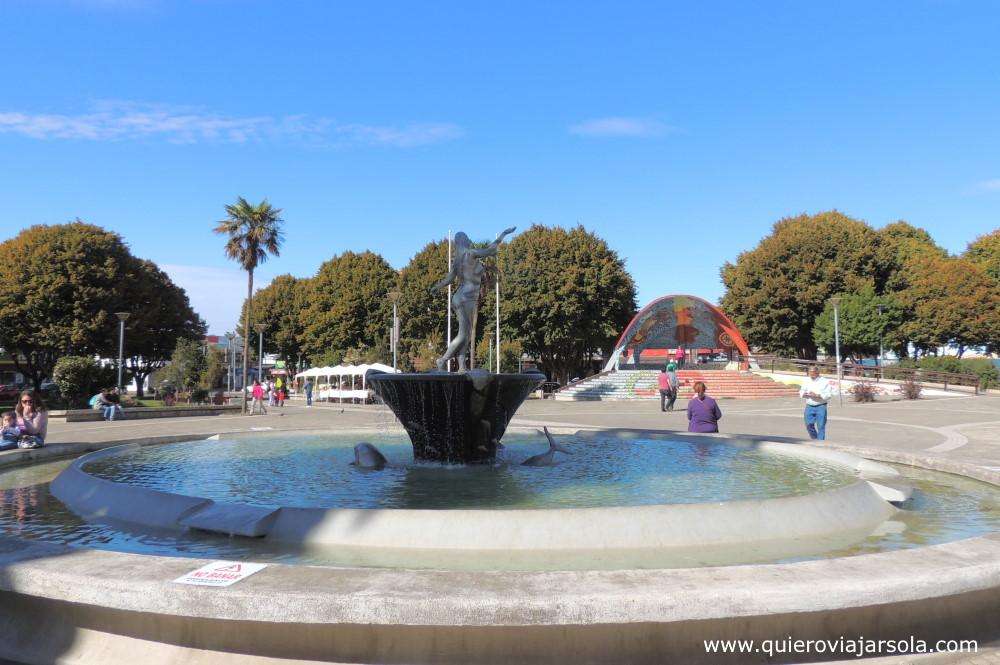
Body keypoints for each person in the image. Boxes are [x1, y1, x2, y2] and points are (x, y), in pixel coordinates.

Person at [799, 366, 835, 440]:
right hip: (809, 405)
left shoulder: (825, 381)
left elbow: (829, 394)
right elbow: (801, 390)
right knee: (808, 425)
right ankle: (815, 439)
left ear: (818, 372)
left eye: (813, 372)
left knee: (821, 426)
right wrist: (804, 394)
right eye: (810, 373)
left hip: (821, 406)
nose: (811, 374)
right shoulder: (806, 380)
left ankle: (820, 443)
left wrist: (817, 395)